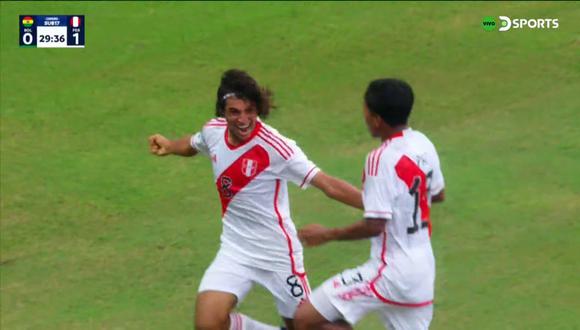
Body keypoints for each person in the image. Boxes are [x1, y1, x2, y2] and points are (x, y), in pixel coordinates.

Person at [148, 69, 363, 330]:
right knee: (208, 323)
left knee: (305, 326)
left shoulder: (276, 147)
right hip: (235, 249)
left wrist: (378, 205)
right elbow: (193, 144)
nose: (243, 119)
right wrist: (170, 146)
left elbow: (328, 184)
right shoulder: (213, 132)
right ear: (223, 112)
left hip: (277, 253)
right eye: (234, 112)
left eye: (250, 110)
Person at [294, 78, 445, 330]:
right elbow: (437, 194)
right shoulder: (423, 144)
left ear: (376, 119)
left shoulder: (380, 159)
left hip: (390, 271)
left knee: (305, 319)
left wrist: (328, 235)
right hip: (422, 273)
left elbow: (375, 225)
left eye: (366, 111)